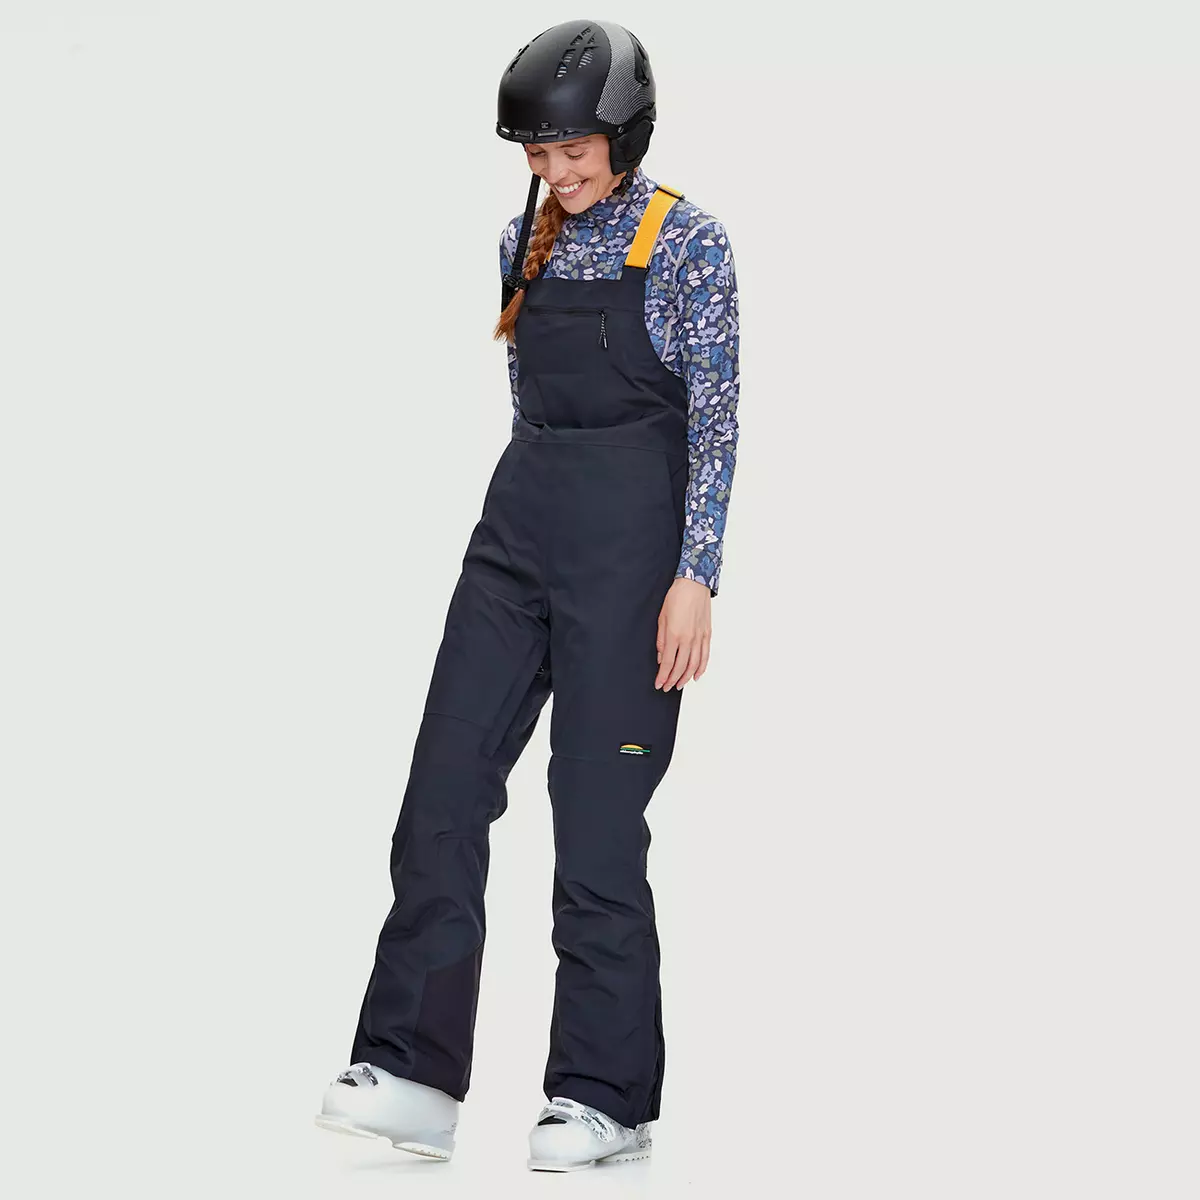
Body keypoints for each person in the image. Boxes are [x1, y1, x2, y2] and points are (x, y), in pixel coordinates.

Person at [314, 18, 739, 1173]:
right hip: (516, 537)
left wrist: (695, 576)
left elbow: (715, 419)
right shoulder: (525, 240)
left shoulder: (689, 244)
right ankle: (411, 1071)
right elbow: (525, 404)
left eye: (573, 151)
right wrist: (532, 524)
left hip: (633, 558)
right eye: (539, 154)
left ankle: (603, 1097)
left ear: (626, 135)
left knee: (597, 828)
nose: (556, 173)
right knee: (443, 790)